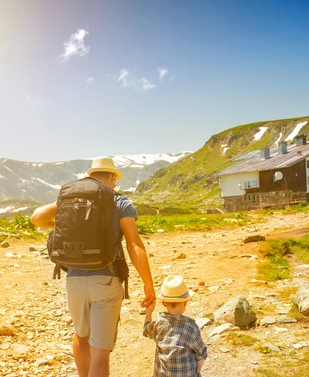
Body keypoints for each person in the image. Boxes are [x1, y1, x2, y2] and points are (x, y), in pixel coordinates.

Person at [30, 156, 156, 377]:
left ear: (90, 177)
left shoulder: (73, 200)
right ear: (112, 177)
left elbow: (37, 218)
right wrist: (148, 283)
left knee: (81, 336)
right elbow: (134, 243)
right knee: (100, 353)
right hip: (106, 279)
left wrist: (57, 223)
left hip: (74, 280)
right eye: (115, 179)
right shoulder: (120, 202)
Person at [143, 275, 208, 377]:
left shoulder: (158, 322)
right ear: (185, 302)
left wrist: (148, 312)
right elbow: (201, 352)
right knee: (198, 354)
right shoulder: (190, 326)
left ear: (164, 303)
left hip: (162, 374)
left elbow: (147, 331)